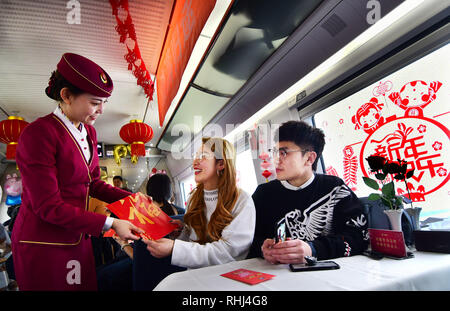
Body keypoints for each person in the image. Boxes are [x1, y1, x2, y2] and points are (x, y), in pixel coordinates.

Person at [11, 53, 143, 291]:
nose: (101, 110)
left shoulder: (89, 133)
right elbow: (47, 206)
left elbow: (93, 184)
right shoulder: (39, 134)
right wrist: (110, 223)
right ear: (66, 96)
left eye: (104, 102)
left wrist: (133, 200)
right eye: (94, 102)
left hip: (77, 235)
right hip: (43, 243)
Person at [247, 121, 369, 264]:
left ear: (309, 158)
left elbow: (359, 237)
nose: (276, 159)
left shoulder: (335, 188)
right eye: (274, 152)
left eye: (283, 153)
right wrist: (263, 248)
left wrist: (313, 249)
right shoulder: (263, 194)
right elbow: (248, 240)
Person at [141, 137, 256, 289]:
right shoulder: (194, 198)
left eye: (203, 156)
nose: (195, 162)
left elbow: (229, 252)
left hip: (227, 279)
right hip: (195, 275)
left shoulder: (241, 200)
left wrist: (175, 248)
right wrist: (181, 232)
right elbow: (192, 241)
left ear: (221, 163)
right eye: (195, 156)